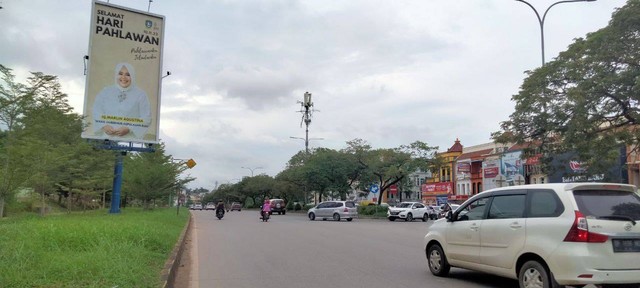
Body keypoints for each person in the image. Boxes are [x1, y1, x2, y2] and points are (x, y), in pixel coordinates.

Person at [92, 62, 152, 139]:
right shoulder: (105, 92)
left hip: (130, 140)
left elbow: (146, 118)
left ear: (132, 76)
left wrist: (129, 128)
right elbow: (96, 111)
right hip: (106, 139)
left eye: (128, 74)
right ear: (116, 75)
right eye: (120, 73)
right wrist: (104, 125)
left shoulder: (140, 95)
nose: (123, 77)